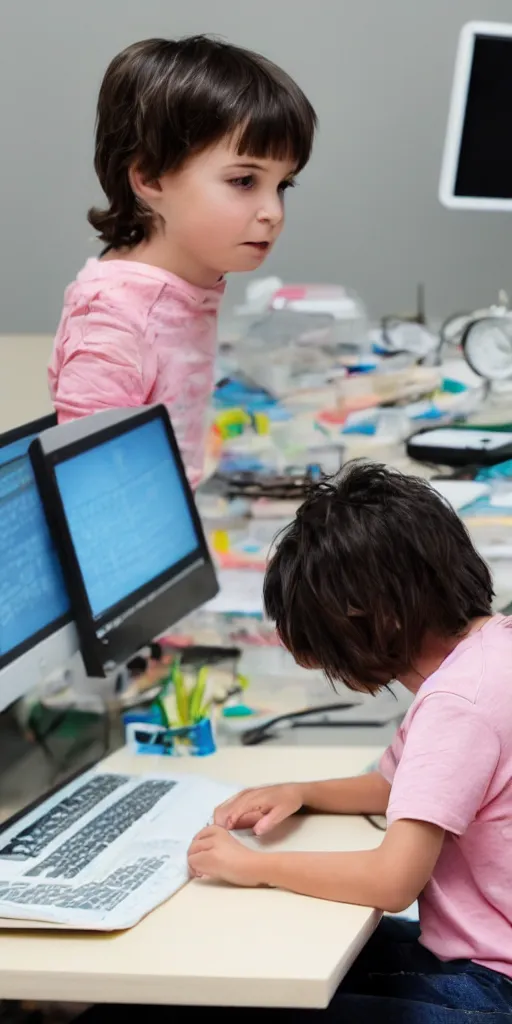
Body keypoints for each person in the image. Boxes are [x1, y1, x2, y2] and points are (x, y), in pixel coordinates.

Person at [185, 462, 512, 1021]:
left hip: (490, 988)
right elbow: (403, 786)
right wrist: (302, 791)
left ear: (372, 622)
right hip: (481, 962)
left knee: (236, 999)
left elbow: (392, 880)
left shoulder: (456, 706)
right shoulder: (489, 655)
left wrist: (252, 866)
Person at [48, 36, 316, 487]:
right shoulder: (111, 321)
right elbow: (92, 491)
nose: (273, 211)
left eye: (283, 185)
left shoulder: (188, 284)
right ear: (150, 176)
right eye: (245, 180)